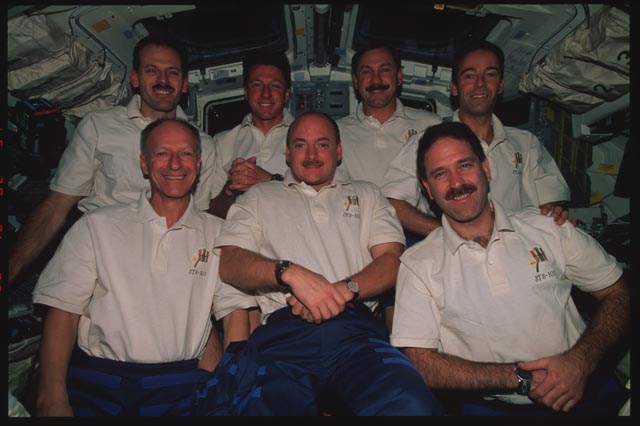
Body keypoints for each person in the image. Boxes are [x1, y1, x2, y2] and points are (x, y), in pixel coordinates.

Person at [185, 111, 442, 416]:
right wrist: (291, 274)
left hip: (357, 334)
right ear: (287, 153)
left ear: (339, 151)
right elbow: (231, 261)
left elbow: (391, 259)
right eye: (300, 145)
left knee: (411, 404)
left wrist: (338, 292)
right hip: (283, 338)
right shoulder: (257, 197)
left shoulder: (367, 194)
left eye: (322, 144)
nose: (311, 155)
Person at [390, 121, 630, 416]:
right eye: (440, 174)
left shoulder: (549, 229)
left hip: (586, 386)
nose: (456, 183)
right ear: (428, 189)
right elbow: (420, 362)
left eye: (464, 165)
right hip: (496, 407)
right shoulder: (418, 265)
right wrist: (521, 378)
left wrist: (580, 361)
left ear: (486, 169)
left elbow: (619, 294)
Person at [32, 119, 253, 417]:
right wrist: (52, 398)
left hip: (181, 385)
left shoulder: (219, 234)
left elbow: (235, 315)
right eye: (162, 153)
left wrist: (227, 391)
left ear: (199, 164)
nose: (175, 164)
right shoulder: (96, 226)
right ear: (144, 164)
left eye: (186, 154)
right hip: (99, 381)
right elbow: (63, 311)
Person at [8, 34, 221, 287]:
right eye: (152, 71)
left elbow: (202, 218)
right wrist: (10, 271)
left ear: (184, 83)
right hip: (104, 261)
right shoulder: (99, 126)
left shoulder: (205, 145)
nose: (163, 81)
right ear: (135, 78)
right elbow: (56, 207)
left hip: (172, 267)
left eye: (172, 73)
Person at [382, 39, 571, 237]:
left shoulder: (526, 143)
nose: (480, 84)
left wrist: (553, 218)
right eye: (470, 76)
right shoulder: (426, 144)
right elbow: (393, 203)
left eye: (489, 75)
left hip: (521, 252)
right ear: (454, 87)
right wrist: (450, 233)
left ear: (500, 86)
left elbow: (550, 200)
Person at [336, 42, 442, 189]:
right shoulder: (336, 133)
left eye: (384, 70)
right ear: (355, 81)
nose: (376, 80)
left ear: (399, 76)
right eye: (366, 72)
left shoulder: (430, 125)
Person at [208, 48, 295, 219]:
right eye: (257, 85)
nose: (266, 94)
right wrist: (228, 190)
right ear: (246, 92)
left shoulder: (307, 138)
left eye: (275, 86)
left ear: (286, 94)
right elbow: (212, 215)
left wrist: (271, 181)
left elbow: (320, 201)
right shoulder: (222, 141)